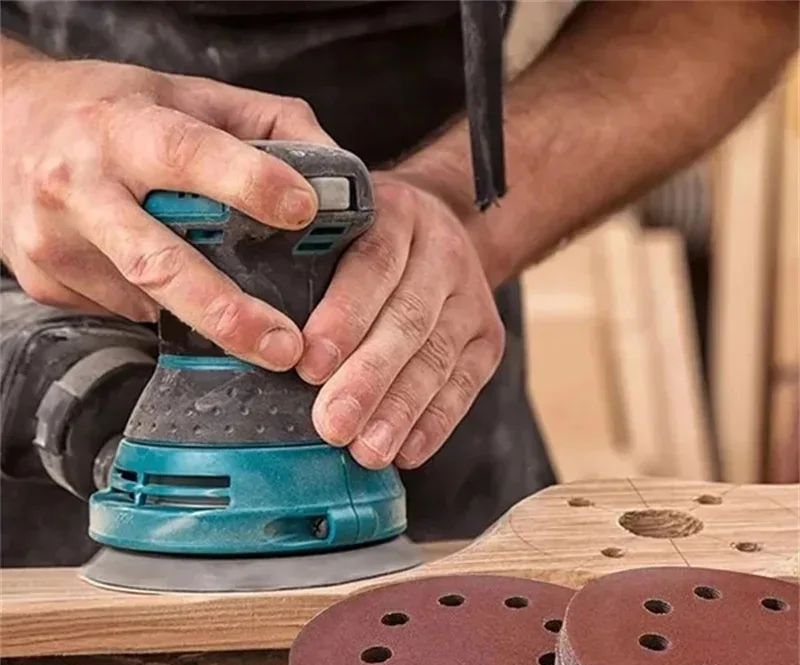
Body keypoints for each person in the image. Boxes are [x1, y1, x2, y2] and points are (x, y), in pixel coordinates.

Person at [1, 1, 797, 561]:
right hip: (37, 239)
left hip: (424, 311)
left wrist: (460, 210)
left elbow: (738, 8)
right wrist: (15, 107)